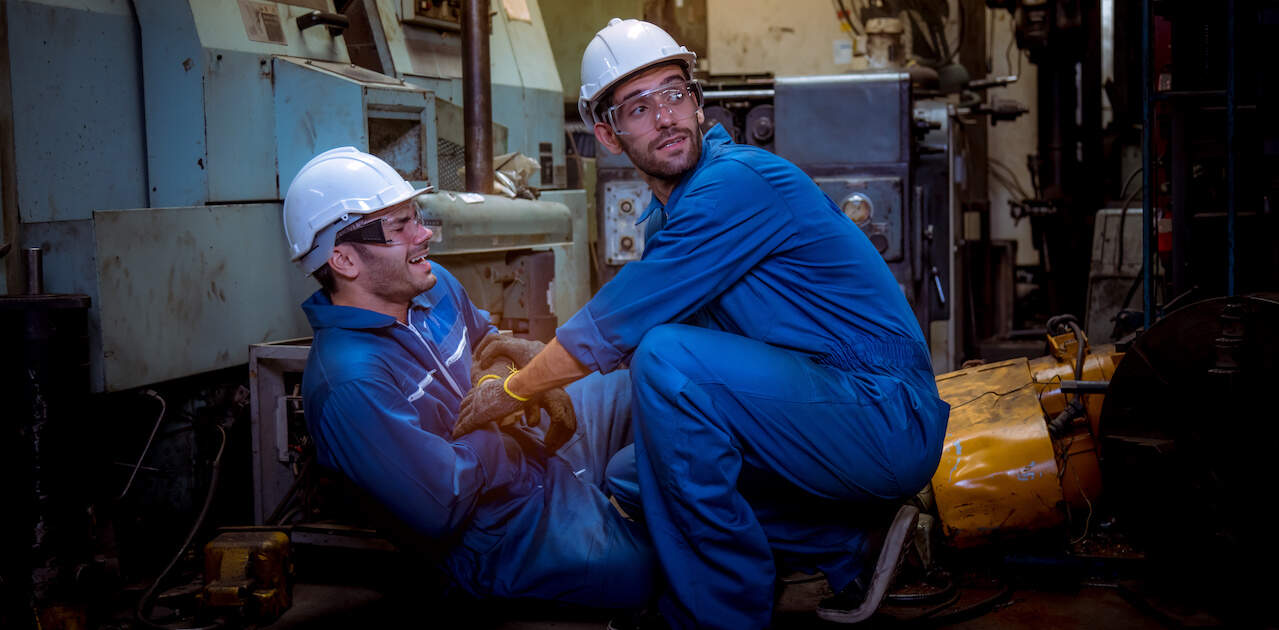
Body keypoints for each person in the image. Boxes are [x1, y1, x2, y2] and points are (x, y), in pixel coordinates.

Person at [454, 18, 950, 630]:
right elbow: (649, 346)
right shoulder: (672, 220)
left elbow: (630, 331)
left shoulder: (734, 183)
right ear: (608, 134)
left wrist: (514, 387)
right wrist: (545, 358)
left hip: (883, 412)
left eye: (674, 93)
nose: (665, 116)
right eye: (638, 107)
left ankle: (719, 615)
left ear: (696, 101)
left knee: (667, 361)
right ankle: (853, 546)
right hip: (824, 404)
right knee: (636, 476)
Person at [281, 146, 657, 609]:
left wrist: (502, 380)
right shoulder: (351, 384)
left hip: (530, 448)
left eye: (415, 215)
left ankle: (634, 496)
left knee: (644, 386)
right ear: (343, 260)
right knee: (654, 571)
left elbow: (488, 343)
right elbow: (438, 505)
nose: (424, 234)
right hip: (500, 529)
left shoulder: (432, 284)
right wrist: (500, 429)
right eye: (400, 227)